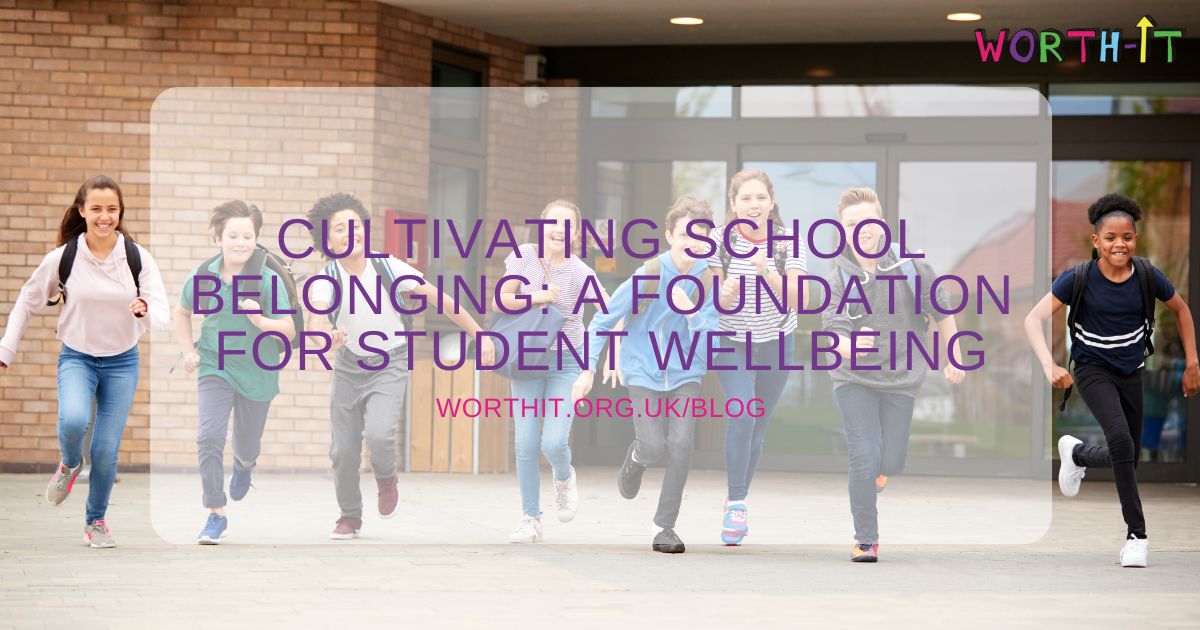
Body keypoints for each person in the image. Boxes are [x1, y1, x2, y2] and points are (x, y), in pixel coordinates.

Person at [1024, 192, 1200, 568]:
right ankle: (1137, 536)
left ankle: (1076, 454)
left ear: (1135, 239)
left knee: (1128, 455)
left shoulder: (1148, 276)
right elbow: (1032, 319)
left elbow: (1181, 311)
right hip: (1092, 370)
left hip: (1132, 370)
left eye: (1127, 238)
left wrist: (1192, 362)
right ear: (1096, 241)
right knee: (1121, 441)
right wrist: (1048, 365)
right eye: (1110, 238)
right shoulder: (1078, 278)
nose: (1119, 244)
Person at [306, 193, 494, 540]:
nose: (350, 233)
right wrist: (327, 338)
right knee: (343, 450)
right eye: (338, 229)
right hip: (348, 367)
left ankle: (386, 477)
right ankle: (349, 515)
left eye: (354, 225)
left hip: (390, 362)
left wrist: (480, 334)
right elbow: (316, 322)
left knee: (379, 433)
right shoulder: (325, 278)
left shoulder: (387, 266)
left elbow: (443, 301)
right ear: (326, 239)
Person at [0, 175, 169, 548]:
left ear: (120, 212)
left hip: (123, 361)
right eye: (96, 209)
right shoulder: (63, 258)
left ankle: (95, 521)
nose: (104, 216)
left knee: (106, 450)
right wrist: (6, 350)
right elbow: (26, 302)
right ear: (82, 211)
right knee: (75, 420)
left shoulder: (137, 258)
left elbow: (162, 315)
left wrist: (143, 311)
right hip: (77, 355)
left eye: (112, 209)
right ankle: (69, 464)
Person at [821, 187, 965, 562]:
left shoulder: (910, 267)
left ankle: (882, 474)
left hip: (902, 377)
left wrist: (954, 356)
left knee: (893, 460)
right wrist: (853, 347)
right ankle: (865, 539)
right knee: (864, 455)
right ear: (843, 228)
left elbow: (942, 312)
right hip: (853, 379)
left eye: (867, 222)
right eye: (852, 224)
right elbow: (833, 334)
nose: (861, 230)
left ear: (881, 223)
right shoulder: (839, 277)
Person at [576, 195, 720, 553]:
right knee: (654, 445)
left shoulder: (706, 282)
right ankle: (638, 457)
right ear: (670, 235)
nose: (693, 243)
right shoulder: (650, 274)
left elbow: (710, 343)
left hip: (686, 371)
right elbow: (603, 319)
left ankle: (664, 526)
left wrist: (692, 315)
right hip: (642, 368)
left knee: (683, 444)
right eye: (686, 234)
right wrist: (587, 370)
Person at [173, 200, 295, 544]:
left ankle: (244, 467)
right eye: (233, 235)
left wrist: (260, 320)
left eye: (247, 236)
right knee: (209, 436)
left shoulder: (267, 279)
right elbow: (181, 313)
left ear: (256, 240)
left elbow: (288, 329)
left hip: (258, 371)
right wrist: (189, 352)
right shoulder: (203, 275)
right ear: (218, 238)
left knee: (246, 445)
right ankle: (215, 513)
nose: (240, 242)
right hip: (215, 365)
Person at [709, 169, 808, 545]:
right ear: (733, 205)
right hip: (731, 340)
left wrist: (767, 270)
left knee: (758, 426)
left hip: (776, 341)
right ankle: (736, 503)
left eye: (760, 198)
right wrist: (726, 294)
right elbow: (713, 299)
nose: (754, 205)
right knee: (742, 413)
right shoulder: (717, 241)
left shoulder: (788, 243)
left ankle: (737, 498)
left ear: (771, 202)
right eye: (746, 199)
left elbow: (798, 299)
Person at [497, 199, 603, 543]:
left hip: (567, 361)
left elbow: (606, 313)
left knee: (554, 441)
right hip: (527, 357)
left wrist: (592, 366)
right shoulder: (522, 257)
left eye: (568, 224)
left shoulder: (581, 272)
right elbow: (503, 299)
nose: (560, 229)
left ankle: (563, 477)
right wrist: (538, 296)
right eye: (553, 222)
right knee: (526, 442)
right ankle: (530, 518)